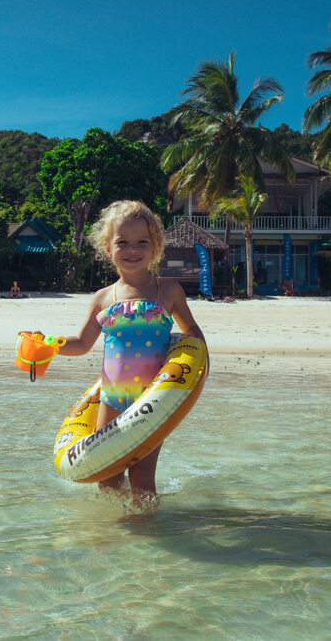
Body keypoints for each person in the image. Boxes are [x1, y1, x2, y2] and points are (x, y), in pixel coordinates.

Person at [54, 200, 206, 502]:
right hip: (111, 399)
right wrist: (51, 345)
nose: (132, 249)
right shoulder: (102, 298)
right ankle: (117, 539)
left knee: (142, 479)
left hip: (154, 398)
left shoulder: (169, 290)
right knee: (108, 479)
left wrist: (201, 365)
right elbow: (82, 344)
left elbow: (191, 333)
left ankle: (146, 533)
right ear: (108, 248)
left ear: (156, 246)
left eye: (142, 242)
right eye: (122, 242)